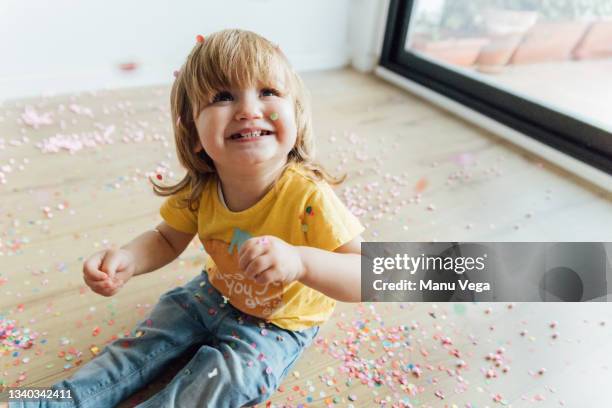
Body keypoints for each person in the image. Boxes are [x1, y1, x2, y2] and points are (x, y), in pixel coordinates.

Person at [8, 28, 364, 408]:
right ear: (193, 133)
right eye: (223, 97)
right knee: (131, 353)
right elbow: (166, 238)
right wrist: (127, 258)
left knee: (226, 381)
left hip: (278, 324)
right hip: (208, 294)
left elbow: (366, 274)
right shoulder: (201, 188)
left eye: (268, 92)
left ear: (296, 115)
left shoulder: (309, 197)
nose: (248, 110)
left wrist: (301, 261)